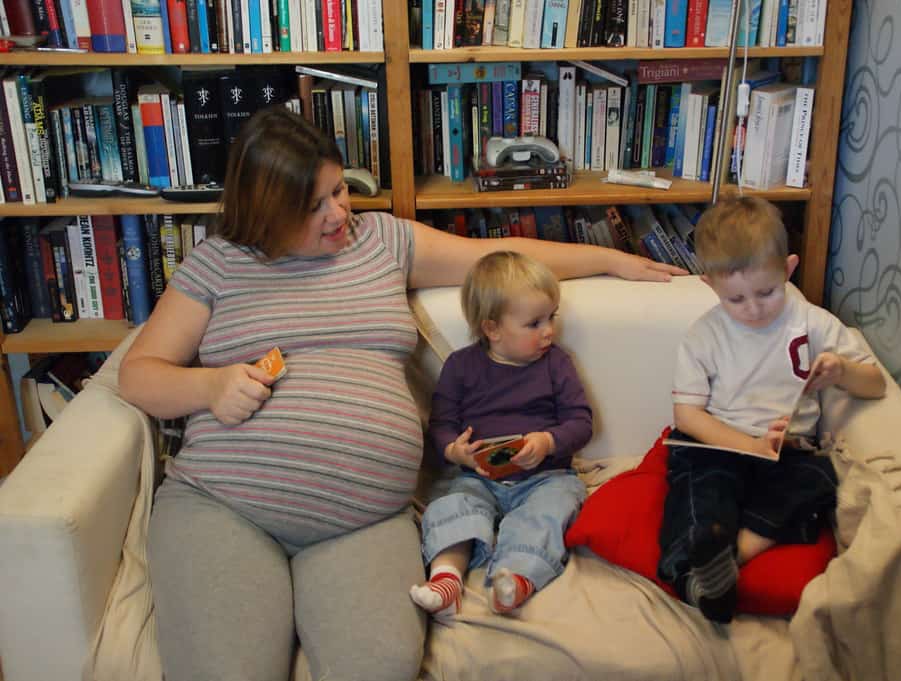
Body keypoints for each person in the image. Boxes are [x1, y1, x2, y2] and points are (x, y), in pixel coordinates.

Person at [117, 106, 684, 681]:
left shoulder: (381, 239)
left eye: (339, 190)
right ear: (266, 212)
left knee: (382, 664)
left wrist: (612, 259)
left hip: (363, 521)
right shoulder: (218, 263)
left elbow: (501, 262)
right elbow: (138, 374)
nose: (338, 212)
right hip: (225, 506)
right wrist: (209, 384)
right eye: (312, 206)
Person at [656, 196, 886, 624]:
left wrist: (841, 371)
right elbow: (688, 416)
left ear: (789, 268)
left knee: (819, 480)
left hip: (787, 452)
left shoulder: (812, 321)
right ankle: (692, 575)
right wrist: (749, 445)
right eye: (736, 299)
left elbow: (874, 384)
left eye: (766, 292)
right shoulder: (703, 336)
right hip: (720, 442)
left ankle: (727, 560)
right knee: (700, 488)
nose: (755, 309)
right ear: (709, 285)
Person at [409, 251, 590, 618]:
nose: (549, 331)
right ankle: (446, 578)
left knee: (553, 510)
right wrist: (454, 451)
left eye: (550, 317)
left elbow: (581, 421)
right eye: (534, 323)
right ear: (492, 329)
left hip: (546, 477)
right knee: (451, 504)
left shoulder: (557, 363)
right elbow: (441, 424)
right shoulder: (460, 366)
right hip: (479, 477)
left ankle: (517, 578)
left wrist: (548, 441)